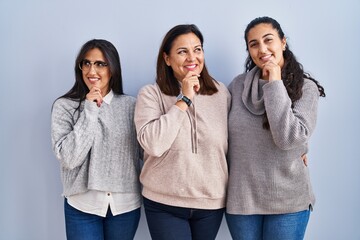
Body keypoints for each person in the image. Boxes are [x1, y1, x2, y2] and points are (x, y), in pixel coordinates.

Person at [225, 16, 326, 240]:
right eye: (253, 44)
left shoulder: (305, 89)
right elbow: (217, 132)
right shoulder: (237, 86)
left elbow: (288, 139)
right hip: (242, 201)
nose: (262, 49)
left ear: (283, 42)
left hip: (288, 201)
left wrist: (275, 82)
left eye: (268, 40)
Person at [134, 24, 231, 240]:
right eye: (182, 51)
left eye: (197, 49)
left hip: (211, 202)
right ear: (167, 59)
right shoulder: (150, 94)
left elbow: (240, 137)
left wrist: (298, 149)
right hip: (164, 202)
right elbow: (153, 144)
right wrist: (184, 99)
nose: (192, 57)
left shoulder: (221, 93)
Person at [51, 39, 142, 240]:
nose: (92, 70)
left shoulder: (132, 106)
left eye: (100, 64)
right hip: (82, 205)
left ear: (113, 68)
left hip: (125, 207)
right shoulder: (64, 106)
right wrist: (90, 110)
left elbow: (146, 152)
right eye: (87, 63)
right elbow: (70, 158)